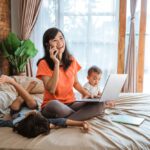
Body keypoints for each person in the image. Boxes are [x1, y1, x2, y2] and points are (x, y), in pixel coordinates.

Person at [36, 27, 114, 121]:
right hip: (52, 106)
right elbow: (52, 89)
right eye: (54, 40)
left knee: (100, 104)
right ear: (47, 44)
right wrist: (56, 63)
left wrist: (89, 95)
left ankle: (67, 120)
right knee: (55, 104)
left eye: (61, 38)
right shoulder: (43, 63)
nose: (60, 43)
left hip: (71, 103)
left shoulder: (71, 60)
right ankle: (81, 115)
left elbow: (76, 83)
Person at [0, 75, 90, 138]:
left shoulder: (15, 123)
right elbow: (61, 121)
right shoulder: (43, 124)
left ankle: (15, 84)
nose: (36, 112)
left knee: (16, 104)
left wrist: (11, 81)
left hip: (17, 111)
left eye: (33, 114)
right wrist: (81, 123)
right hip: (31, 105)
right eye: (36, 114)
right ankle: (27, 91)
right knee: (32, 103)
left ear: (27, 117)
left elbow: (1, 123)